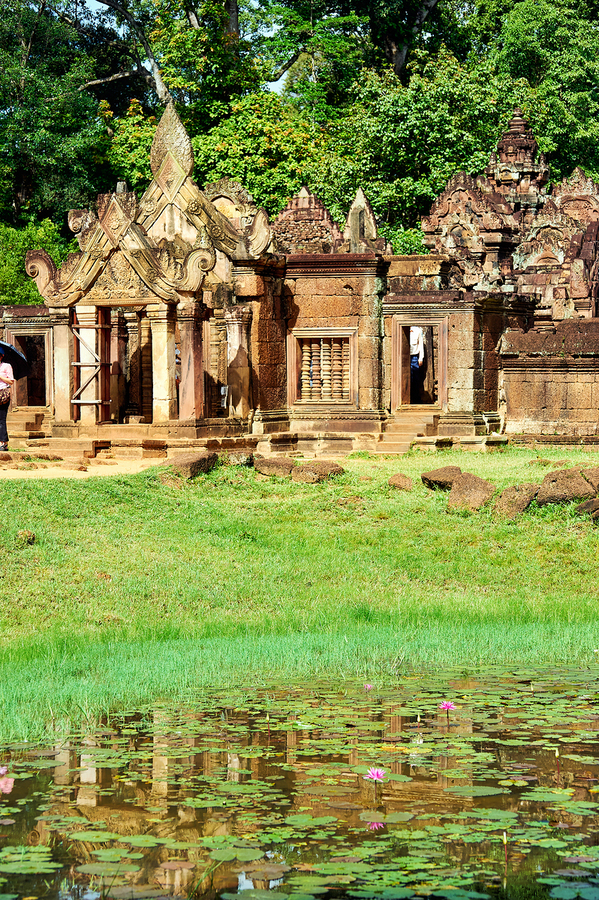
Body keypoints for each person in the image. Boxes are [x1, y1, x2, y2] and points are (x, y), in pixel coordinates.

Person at [0, 349, 15, 451]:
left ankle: (3, 443)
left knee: (1, 419)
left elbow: (11, 381)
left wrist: (0, 376)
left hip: (2, 394)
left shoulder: (6, 366)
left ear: (2, 356)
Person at [410, 325, 425, 404]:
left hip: (414, 357)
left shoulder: (418, 330)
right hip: (403, 356)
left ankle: (415, 399)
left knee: (415, 378)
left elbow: (420, 344)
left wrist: (421, 358)